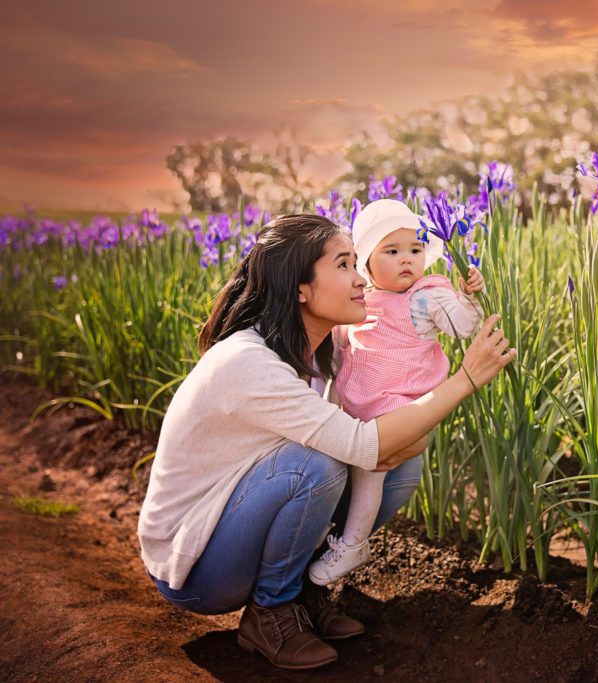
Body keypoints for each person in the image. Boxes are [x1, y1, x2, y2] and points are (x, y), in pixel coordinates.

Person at [137, 213, 515, 671]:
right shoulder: (249, 361)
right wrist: (466, 378)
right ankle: (272, 611)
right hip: (197, 567)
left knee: (397, 466)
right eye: (344, 266)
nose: (361, 280)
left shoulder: (325, 350)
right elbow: (362, 445)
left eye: (358, 264)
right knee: (317, 464)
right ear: (300, 288)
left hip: (239, 522)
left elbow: (394, 445)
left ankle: (304, 592)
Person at [308, 199, 485, 586]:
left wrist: (468, 296)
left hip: (395, 406)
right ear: (367, 263)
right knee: (332, 462)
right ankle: (322, 530)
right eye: (392, 251)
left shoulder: (427, 294)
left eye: (416, 250)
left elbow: (461, 327)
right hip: (355, 399)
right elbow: (340, 349)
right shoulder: (360, 298)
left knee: (369, 470)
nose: (407, 259)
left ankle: (354, 542)